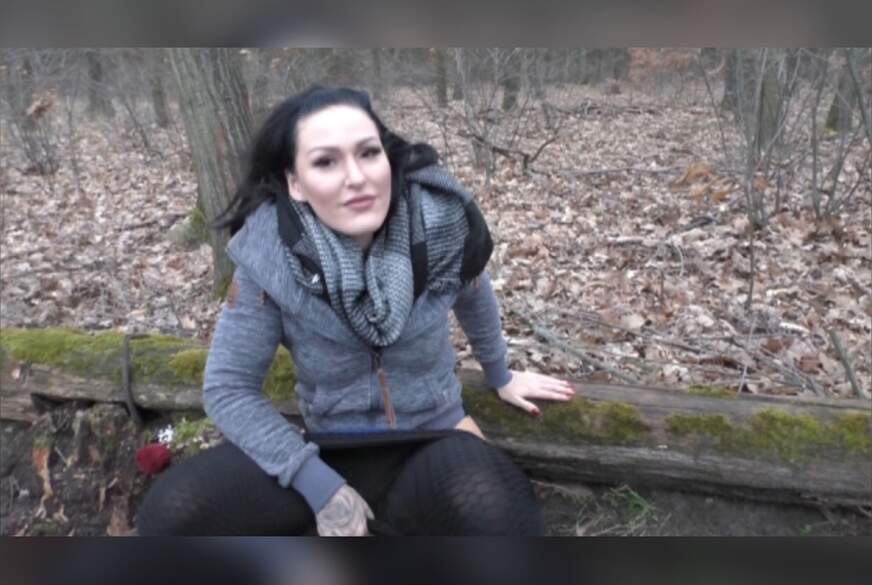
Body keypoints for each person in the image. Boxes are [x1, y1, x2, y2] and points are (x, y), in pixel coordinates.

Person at [136, 86, 575, 536]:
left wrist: (500, 373)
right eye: (326, 162)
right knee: (174, 508)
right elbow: (228, 387)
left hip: (433, 437)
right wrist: (320, 486)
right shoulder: (270, 255)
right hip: (326, 447)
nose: (356, 177)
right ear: (295, 183)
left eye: (368, 153)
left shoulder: (440, 225)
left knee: (496, 511)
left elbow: (474, 290)